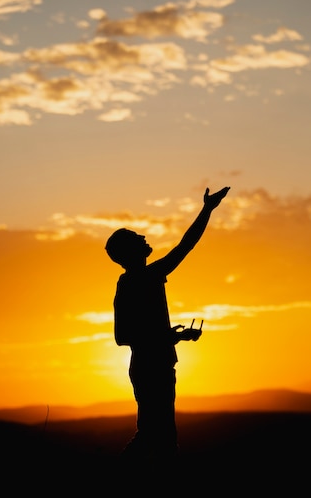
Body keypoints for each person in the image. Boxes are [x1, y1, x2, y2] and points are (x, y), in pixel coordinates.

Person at [105, 185, 230, 462]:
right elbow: (123, 336)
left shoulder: (137, 279)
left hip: (154, 365)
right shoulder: (137, 281)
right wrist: (208, 209)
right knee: (155, 438)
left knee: (159, 438)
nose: (144, 236)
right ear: (130, 251)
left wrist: (174, 336)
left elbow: (133, 335)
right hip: (152, 369)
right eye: (137, 237)